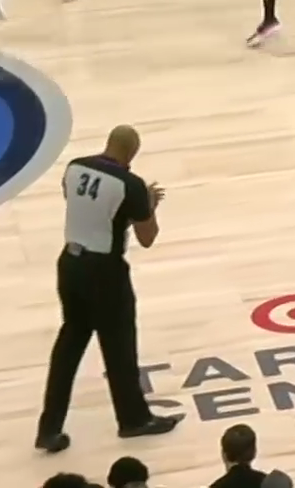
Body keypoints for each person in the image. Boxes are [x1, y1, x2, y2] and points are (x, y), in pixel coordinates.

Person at [33, 124, 184, 452]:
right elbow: (147, 237)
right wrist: (147, 205)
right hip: (105, 272)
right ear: (132, 153)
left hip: (69, 264)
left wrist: (126, 212)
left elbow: (89, 212)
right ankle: (133, 420)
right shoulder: (131, 185)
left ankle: (49, 428)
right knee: (119, 347)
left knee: (69, 345)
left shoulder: (75, 168)